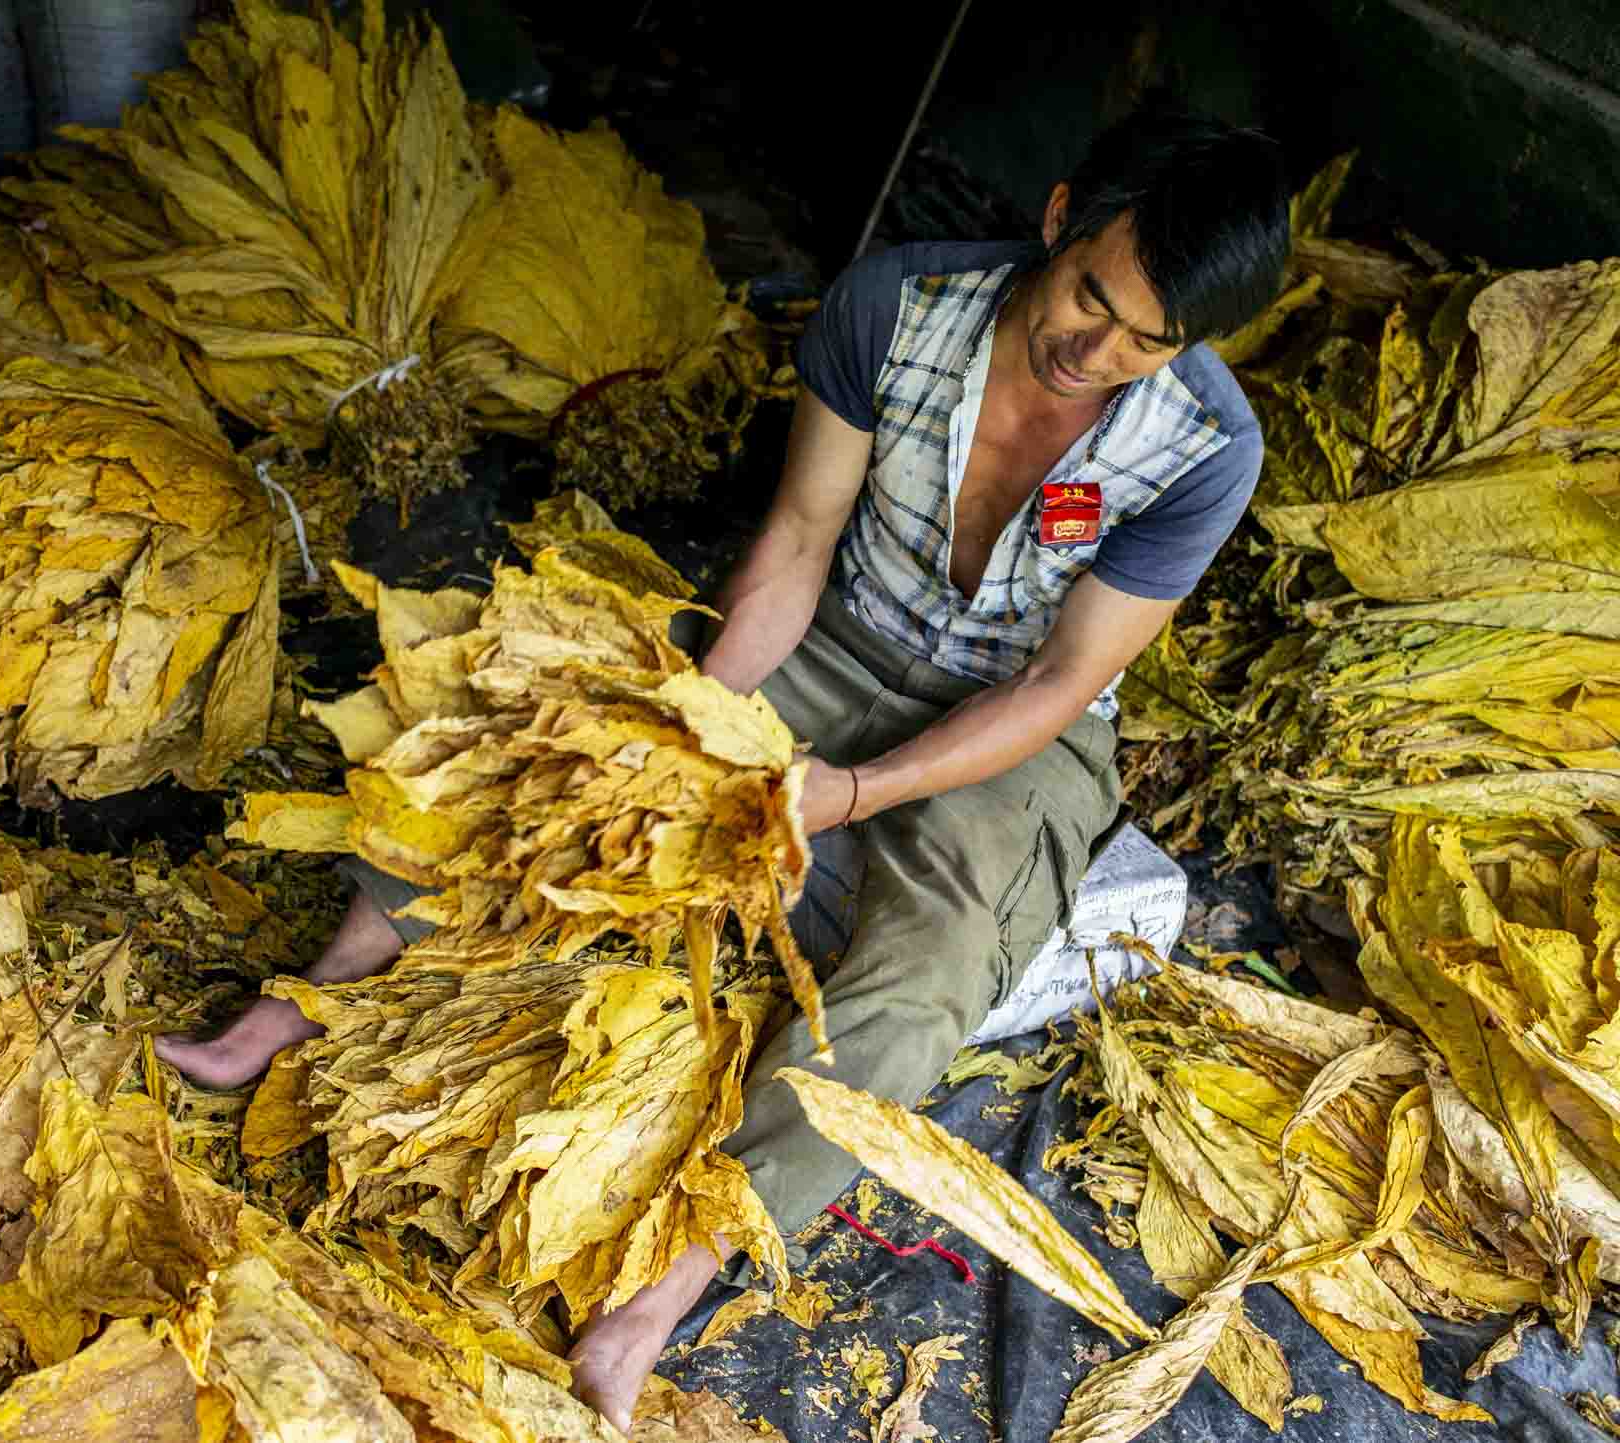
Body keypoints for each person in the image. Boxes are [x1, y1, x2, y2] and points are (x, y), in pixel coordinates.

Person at [159, 90, 1290, 1434]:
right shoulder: (896, 308)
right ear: (1059, 220)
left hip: (1016, 732)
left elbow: (1058, 684)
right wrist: (689, 722)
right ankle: (314, 993)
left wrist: (854, 793)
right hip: (837, 631)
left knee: (926, 977)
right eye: (1092, 300)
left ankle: (662, 1288)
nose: (1095, 354)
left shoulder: (1206, 449)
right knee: (561, 729)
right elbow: (798, 545)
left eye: (1148, 343)